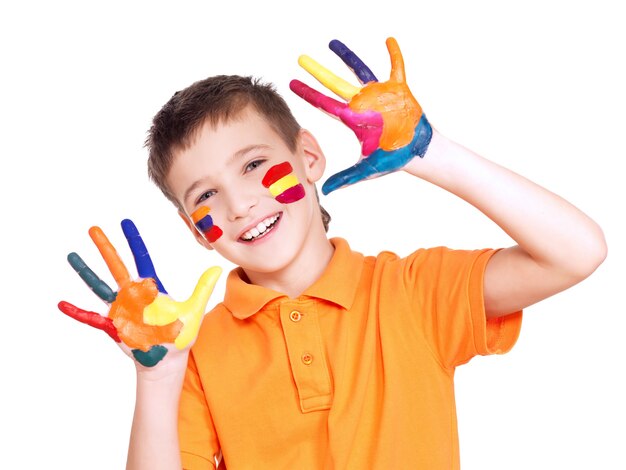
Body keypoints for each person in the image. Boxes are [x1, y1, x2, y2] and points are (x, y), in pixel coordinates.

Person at [60, 38, 607, 469]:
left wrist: (429, 153)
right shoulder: (195, 353)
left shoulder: (412, 292)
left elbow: (576, 253)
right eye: (206, 195)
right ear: (195, 229)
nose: (241, 203)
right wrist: (158, 379)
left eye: (253, 165)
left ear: (308, 156)